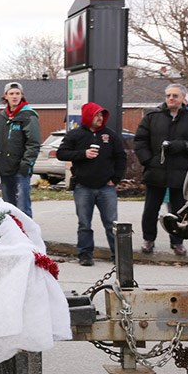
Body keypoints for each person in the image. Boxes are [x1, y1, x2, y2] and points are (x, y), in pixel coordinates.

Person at [55, 103, 127, 266]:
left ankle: (118, 256)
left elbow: (121, 157)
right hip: (83, 187)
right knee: (84, 223)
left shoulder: (110, 135)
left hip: (106, 187)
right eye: (96, 115)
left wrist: (115, 179)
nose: (100, 118)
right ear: (88, 116)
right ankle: (85, 254)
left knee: (112, 223)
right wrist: (83, 154)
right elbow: (61, 153)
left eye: (102, 115)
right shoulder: (75, 135)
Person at [133, 83, 188, 256]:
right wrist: (148, 160)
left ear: (183, 98)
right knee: (151, 209)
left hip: (181, 173)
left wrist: (182, 145)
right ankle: (148, 239)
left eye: (175, 96)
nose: (170, 98)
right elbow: (140, 141)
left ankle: (177, 242)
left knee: (178, 211)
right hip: (156, 171)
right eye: (168, 95)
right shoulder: (152, 116)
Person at [0, 81, 41, 217]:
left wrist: (26, 164)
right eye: (11, 93)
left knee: (23, 208)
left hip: (21, 170)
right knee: (8, 208)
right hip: (5, 169)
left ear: (22, 96)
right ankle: (12, 236)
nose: (15, 96)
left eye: (17, 94)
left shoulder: (28, 116)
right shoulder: (1, 118)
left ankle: (27, 236)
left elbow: (34, 143)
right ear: (6, 96)